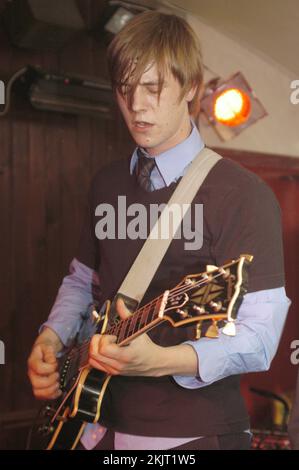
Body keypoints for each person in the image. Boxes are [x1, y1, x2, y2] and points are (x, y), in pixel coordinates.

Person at [27, 11, 291, 450]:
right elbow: (82, 280)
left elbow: (260, 338)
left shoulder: (243, 194)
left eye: (153, 88)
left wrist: (165, 360)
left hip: (194, 433)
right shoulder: (106, 184)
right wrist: (51, 337)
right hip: (92, 426)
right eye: (125, 89)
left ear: (190, 88)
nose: (136, 106)